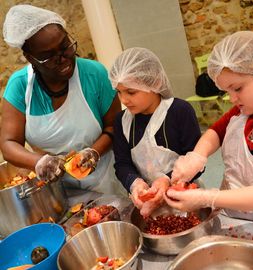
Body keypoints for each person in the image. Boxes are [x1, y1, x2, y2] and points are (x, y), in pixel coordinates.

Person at [1, 4, 125, 195]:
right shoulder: (19, 87)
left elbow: (115, 126)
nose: (63, 58)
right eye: (49, 56)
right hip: (54, 194)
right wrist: (39, 162)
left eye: (65, 47)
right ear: (31, 58)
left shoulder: (94, 74)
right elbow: (8, 144)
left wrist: (93, 152)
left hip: (106, 183)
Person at [165, 31, 253, 223]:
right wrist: (197, 156)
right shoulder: (242, 110)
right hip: (235, 214)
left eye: (237, 88)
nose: (232, 99)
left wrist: (207, 197)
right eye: (227, 91)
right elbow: (215, 132)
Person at [109, 47, 202, 217]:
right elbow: (122, 164)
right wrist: (135, 183)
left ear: (153, 83)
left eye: (131, 92)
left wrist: (166, 179)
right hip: (148, 204)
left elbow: (196, 160)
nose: (123, 100)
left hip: (186, 198)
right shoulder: (121, 121)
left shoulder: (179, 111)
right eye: (119, 92)